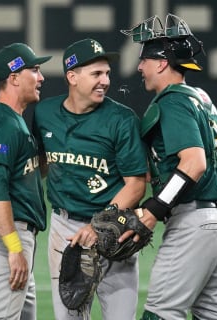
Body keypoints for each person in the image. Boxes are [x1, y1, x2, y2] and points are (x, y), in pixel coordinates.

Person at [121, 14, 217, 320]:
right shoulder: (201, 97)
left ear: (161, 63)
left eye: (144, 60)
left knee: (160, 314)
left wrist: (155, 208)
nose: (139, 68)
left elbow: (194, 162)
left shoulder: (173, 101)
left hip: (195, 222)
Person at [32, 38, 148, 320]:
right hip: (64, 228)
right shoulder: (44, 113)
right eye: (96, 73)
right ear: (72, 76)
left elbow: (136, 183)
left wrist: (100, 224)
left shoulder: (121, 119)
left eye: (107, 73)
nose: (105, 81)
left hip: (112, 228)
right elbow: (41, 163)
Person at [0, 43, 51, 320]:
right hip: (7, 238)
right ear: (14, 77)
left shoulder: (11, 121)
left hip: (6, 236)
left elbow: (12, 179)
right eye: (35, 70)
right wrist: (13, 248)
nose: (41, 78)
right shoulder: (2, 125)